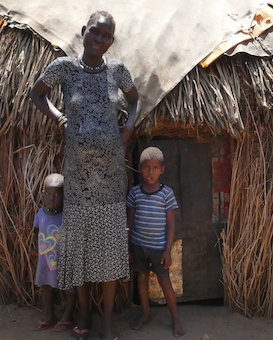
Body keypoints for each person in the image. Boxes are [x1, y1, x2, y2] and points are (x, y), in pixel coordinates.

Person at [30, 10, 139, 340]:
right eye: (96, 32)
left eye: (107, 36)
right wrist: (61, 119)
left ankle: (106, 319)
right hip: (77, 178)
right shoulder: (64, 68)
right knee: (78, 250)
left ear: (111, 41)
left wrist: (128, 129)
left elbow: (134, 101)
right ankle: (85, 313)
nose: (100, 39)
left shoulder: (118, 72)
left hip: (108, 179)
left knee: (107, 249)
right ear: (84, 31)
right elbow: (37, 94)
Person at [126, 147, 185, 338]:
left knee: (164, 281)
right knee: (141, 278)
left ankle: (175, 318)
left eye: (154, 168)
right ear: (139, 168)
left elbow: (171, 223)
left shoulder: (166, 194)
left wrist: (168, 249)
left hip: (159, 248)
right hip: (138, 245)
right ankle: (145, 314)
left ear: (162, 169)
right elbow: (130, 221)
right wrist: (128, 247)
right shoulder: (135, 193)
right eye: (146, 168)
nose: (150, 172)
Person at [31, 173, 76, 332]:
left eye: (56, 195)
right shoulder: (40, 214)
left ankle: (67, 316)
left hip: (63, 261)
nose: (51, 198)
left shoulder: (68, 216)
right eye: (48, 194)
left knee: (69, 288)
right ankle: (50, 315)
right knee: (45, 286)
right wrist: (35, 250)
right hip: (45, 262)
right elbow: (37, 233)